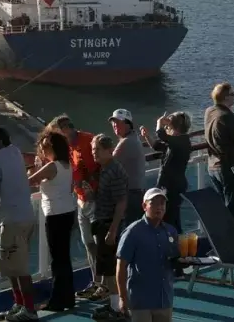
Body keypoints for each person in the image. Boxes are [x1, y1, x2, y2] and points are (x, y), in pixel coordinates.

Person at [0, 126, 38, 321]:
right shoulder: (15, 152)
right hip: (26, 216)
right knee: (13, 266)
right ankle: (20, 305)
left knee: (19, 268)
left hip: (12, 220)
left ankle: (29, 310)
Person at [52, 115, 102, 300]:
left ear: (68, 127)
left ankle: (105, 285)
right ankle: (96, 282)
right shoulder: (66, 148)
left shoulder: (89, 140)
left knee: (99, 244)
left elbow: (103, 163)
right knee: (88, 243)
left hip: (96, 200)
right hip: (81, 200)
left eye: (61, 130)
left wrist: (94, 185)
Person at [28, 131, 78, 312]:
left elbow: (30, 181)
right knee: (64, 257)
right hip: (67, 212)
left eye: (44, 146)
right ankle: (68, 297)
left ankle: (57, 300)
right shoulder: (66, 165)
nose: (41, 148)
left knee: (57, 260)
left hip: (55, 215)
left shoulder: (52, 167)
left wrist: (34, 168)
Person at [116, 187, 179, 322]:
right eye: (154, 203)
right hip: (140, 302)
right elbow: (121, 267)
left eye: (162, 204)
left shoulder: (171, 231)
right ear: (144, 206)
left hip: (164, 300)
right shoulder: (132, 232)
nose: (159, 207)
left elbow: (174, 259)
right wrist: (122, 298)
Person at [89, 133, 130, 319]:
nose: (93, 153)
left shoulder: (114, 171)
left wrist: (113, 230)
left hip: (109, 224)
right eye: (92, 150)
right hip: (102, 221)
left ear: (108, 150)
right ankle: (111, 304)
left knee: (112, 268)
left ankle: (117, 308)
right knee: (105, 267)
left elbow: (121, 202)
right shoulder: (103, 169)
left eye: (97, 150)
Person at [204, 82, 234, 230]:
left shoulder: (209, 111)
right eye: (232, 94)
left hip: (213, 165)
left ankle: (223, 234)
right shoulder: (229, 117)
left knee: (224, 204)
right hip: (229, 167)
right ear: (225, 97)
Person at [139, 111, 192, 233]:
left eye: (168, 126)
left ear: (173, 127)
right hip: (169, 184)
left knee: (168, 217)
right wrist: (147, 136)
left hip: (172, 186)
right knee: (172, 216)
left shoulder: (181, 141)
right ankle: (176, 242)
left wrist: (159, 123)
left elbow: (161, 135)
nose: (166, 128)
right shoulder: (176, 142)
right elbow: (158, 146)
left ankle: (172, 242)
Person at [111, 109, 146, 226]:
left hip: (130, 196)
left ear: (128, 124)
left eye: (118, 122)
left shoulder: (126, 142)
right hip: (136, 193)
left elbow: (108, 163)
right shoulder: (134, 137)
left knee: (128, 232)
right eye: (113, 122)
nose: (115, 125)